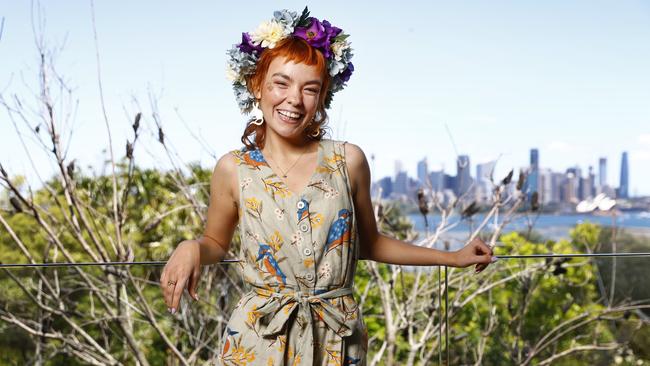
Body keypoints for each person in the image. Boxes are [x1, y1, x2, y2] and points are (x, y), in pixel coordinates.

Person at [160, 8, 495, 365]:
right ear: (257, 87)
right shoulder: (234, 168)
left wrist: (453, 258)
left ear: (322, 99)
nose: (294, 99)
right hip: (259, 338)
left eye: (310, 89)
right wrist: (191, 247)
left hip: (336, 336)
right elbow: (215, 242)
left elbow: (370, 242)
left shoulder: (348, 160)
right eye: (281, 83)